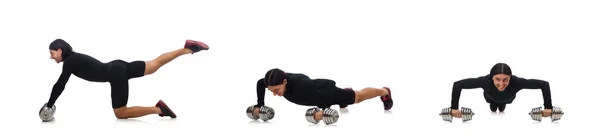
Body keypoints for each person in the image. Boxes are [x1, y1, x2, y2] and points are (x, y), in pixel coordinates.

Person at [45, 38, 209, 119]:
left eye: (52, 53)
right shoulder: (74, 58)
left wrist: (49, 105)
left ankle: (158, 109)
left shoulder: (69, 62)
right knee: (154, 64)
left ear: (60, 51)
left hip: (116, 75)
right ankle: (186, 49)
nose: (51, 57)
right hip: (117, 66)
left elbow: (59, 85)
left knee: (121, 113)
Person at [252, 68, 393, 120]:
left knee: (357, 97)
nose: (275, 94)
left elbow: (325, 92)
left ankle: (384, 91)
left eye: (277, 90)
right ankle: (343, 96)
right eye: (272, 91)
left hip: (326, 90)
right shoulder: (273, 81)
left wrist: (324, 111)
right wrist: (260, 104)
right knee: (341, 99)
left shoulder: (301, 86)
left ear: (284, 81)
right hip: (317, 92)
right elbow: (260, 83)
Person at [449, 63, 554, 118]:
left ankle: (501, 106)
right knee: (493, 109)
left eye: (505, 80)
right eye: (497, 79)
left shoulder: (516, 82)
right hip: (490, 99)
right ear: (491, 78)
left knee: (502, 108)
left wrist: (548, 107)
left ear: (510, 78)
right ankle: (495, 106)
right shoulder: (485, 81)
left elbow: (544, 84)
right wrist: (454, 108)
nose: (501, 84)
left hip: (508, 100)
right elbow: (458, 85)